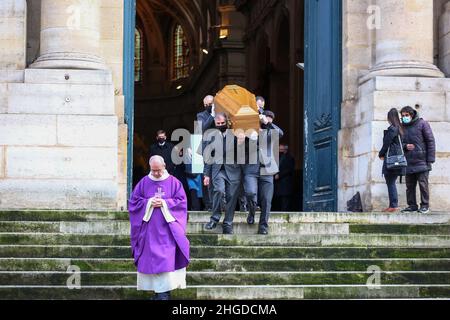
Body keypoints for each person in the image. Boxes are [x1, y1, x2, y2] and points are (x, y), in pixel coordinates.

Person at [128, 155, 190, 300]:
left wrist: (164, 203)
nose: (156, 173)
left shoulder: (174, 183)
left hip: (168, 231)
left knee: (166, 261)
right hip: (150, 231)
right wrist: (149, 202)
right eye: (153, 170)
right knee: (152, 261)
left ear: (164, 166)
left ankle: (164, 293)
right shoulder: (144, 183)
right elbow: (133, 202)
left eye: (158, 170)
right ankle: (158, 292)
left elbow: (181, 202)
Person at [203, 113, 242, 234]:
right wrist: (206, 174)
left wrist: (241, 141)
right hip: (217, 170)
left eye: (222, 123)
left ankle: (228, 224)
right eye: (217, 123)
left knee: (231, 198)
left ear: (227, 122)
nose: (220, 125)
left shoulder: (235, 135)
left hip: (234, 171)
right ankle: (214, 218)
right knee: (219, 190)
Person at [249, 110, 284, 235]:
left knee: (266, 199)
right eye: (265, 118)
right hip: (251, 169)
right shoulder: (251, 130)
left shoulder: (271, 132)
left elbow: (280, 133)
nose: (267, 120)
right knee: (251, 194)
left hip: (267, 169)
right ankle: (251, 212)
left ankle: (263, 226)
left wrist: (267, 123)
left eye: (270, 119)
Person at [400, 106, 436, 214]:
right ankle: (412, 205)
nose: (405, 117)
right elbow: (399, 143)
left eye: (406, 115)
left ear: (412, 114)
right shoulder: (402, 127)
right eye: (402, 116)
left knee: (423, 184)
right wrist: (405, 146)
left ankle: (425, 205)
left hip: (422, 161)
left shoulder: (423, 124)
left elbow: (430, 141)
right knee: (409, 186)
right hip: (408, 161)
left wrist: (430, 159)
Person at [378, 108, 406, 213]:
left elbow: (386, 143)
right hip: (397, 160)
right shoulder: (400, 129)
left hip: (391, 160)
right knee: (391, 182)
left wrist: (381, 154)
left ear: (389, 117)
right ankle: (393, 205)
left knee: (390, 182)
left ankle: (393, 205)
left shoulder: (393, 129)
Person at [274, 144, 295, 211]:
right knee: (277, 199)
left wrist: (279, 175)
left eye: (281, 150)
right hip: (277, 183)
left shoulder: (290, 158)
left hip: (285, 182)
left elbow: (289, 169)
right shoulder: (277, 157)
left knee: (285, 200)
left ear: (285, 150)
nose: (279, 151)